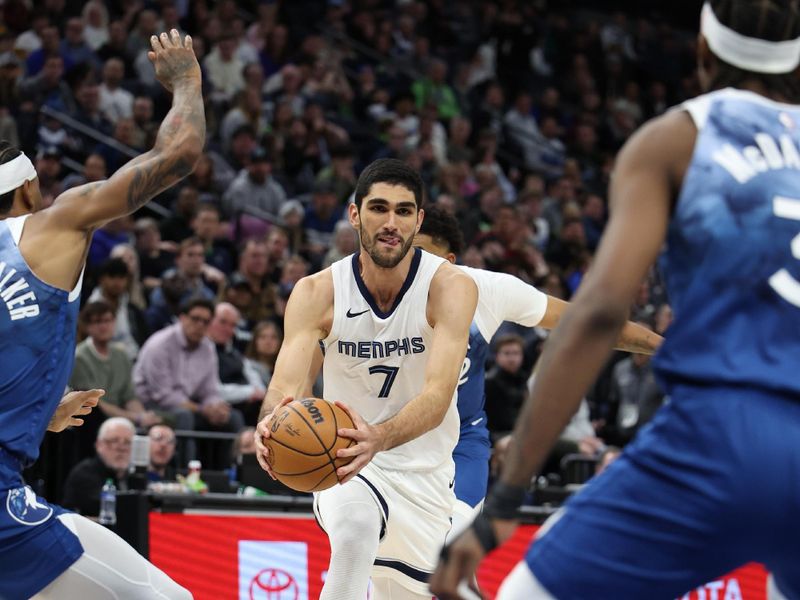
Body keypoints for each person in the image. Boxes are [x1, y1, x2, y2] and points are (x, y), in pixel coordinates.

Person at [431, 3, 800, 599]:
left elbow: (600, 312)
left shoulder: (675, 139)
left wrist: (506, 496)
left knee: (527, 593)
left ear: (702, 51)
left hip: (719, 437)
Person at [0, 29, 201, 599]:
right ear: (33, 189)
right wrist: (185, 80)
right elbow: (179, 154)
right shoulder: (52, 225)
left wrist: (36, 412)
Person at [255, 158, 479, 599]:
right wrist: (268, 421)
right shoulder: (317, 291)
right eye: (378, 208)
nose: (390, 222)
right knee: (355, 531)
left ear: (418, 219)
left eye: (402, 210)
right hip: (343, 457)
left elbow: (438, 397)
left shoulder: (451, 287)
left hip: (426, 475)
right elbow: (285, 386)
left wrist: (379, 435)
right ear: (355, 214)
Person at [414, 206, 662, 539]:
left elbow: (586, 322)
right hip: (396, 445)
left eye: (424, 255)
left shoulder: (485, 289)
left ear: (451, 261)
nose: (413, 266)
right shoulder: (375, 293)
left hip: (460, 448)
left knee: (448, 548)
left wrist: (666, 347)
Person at [61, 417, 135, 517]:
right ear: (99, 445)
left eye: (127, 442)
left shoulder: (135, 475)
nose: (121, 448)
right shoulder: (84, 473)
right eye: (114, 441)